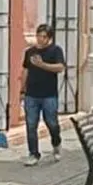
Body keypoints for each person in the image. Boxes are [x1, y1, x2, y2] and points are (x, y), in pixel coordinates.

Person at [20, 23, 65, 166]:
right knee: (31, 125)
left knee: (52, 123)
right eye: (38, 36)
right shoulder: (30, 52)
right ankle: (33, 153)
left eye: (43, 37)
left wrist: (42, 65)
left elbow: (60, 67)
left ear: (49, 38)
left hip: (49, 94)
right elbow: (25, 71)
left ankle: (56, 143)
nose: (40, 39)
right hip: (31, 94)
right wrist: (22, 90)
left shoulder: (55, 50)